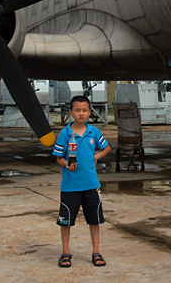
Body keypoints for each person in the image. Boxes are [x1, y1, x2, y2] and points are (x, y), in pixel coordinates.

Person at [53, 95, 111, 268]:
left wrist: (96, 156)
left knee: (94, 220)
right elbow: (58, 158)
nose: (81, 113)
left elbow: (106, 147)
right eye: (77, 110)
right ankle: (65, 252)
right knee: (66, 221)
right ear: (70, 112)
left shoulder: (94, 132)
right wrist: (66, 164)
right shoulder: (65, 133)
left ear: (89, 112)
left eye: (85, 110)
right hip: (70, 186)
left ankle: (96, 251)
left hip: (91, 185)